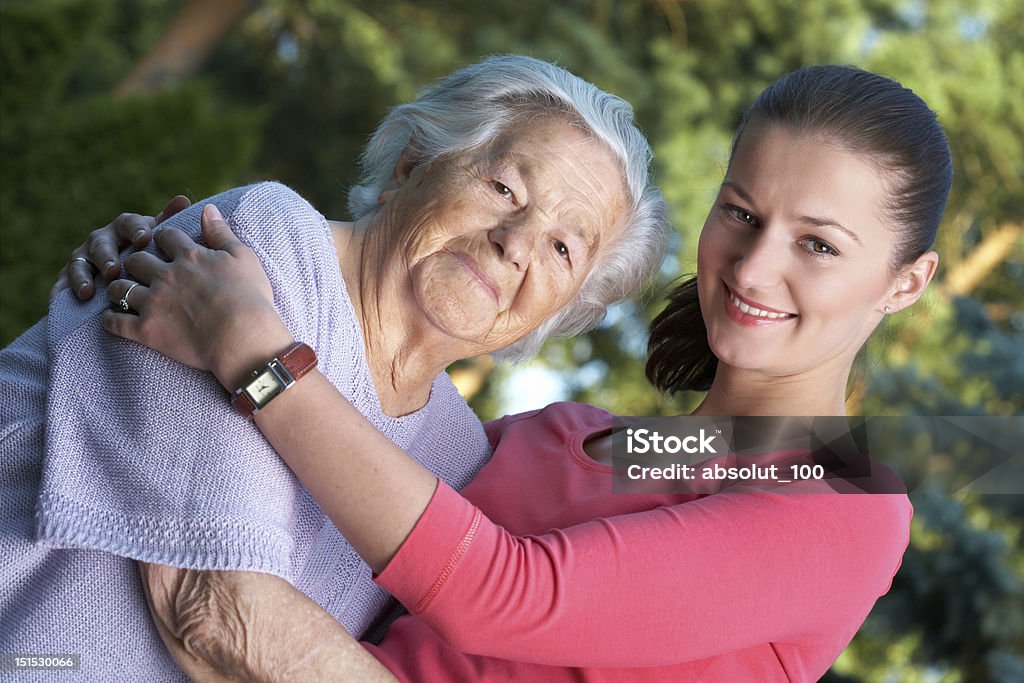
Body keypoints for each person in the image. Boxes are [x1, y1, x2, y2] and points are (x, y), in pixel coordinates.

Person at [88, 63, 952, 681]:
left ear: (907, 281)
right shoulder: (572, 439)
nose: (755, 269)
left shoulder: (848, 499)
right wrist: (179, 267)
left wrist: (254, 354)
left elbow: (507, 592)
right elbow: (325, 492)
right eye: (740, 212)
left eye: (818, 244)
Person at [0, 55, 669, 680]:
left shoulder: (456, 452)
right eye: (503, 186)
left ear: (559, 310)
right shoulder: (263, 243)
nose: (516, 242)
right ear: (412, 164)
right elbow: (211, 606)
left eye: (561, 248)